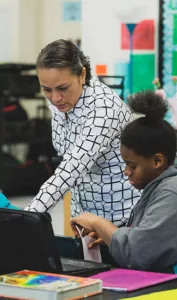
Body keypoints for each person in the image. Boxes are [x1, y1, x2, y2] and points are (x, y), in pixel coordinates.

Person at [70, 91, 177, 277]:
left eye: (132, 165)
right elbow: (146, 241)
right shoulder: (162, 186)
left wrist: (98, 223)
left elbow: (137, 254)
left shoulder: (176, 192)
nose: (126, 171)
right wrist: (108, 237)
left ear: (157, 161)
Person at [24, 39, 140, 227]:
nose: (55, 98)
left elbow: (73, 167)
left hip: (122, 221)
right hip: (84, 218)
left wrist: (26, 217)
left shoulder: (104, 109)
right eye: (47, 90)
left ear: (82, 75)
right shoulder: (62, 105)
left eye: (62, 88)